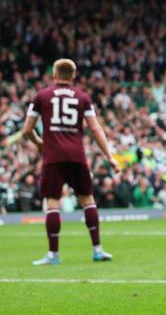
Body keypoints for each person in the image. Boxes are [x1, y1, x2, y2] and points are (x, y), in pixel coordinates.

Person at [22, 59, 120, 265]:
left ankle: (53, 255)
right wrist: (110, 157)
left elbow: (26, 130)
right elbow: (95, 129)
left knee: (53, 204)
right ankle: (98, 250)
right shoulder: (83, 97)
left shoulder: (42, 96)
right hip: (77, 156)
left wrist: (40, 144)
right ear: (74, 76)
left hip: (53, 157)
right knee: (87, 200)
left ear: (54, 74)